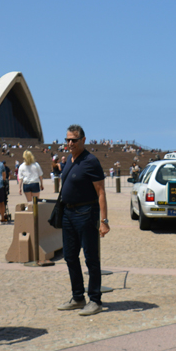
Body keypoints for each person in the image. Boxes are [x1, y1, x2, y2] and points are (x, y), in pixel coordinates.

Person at [57, 124, 108, 316]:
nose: (70, 143)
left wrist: (104, 220)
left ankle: (95, 300)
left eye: (74, 140)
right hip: (68, 214)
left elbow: (101, 191)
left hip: (86, 213)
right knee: (70, 256)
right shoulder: (70, 160)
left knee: (91, 258)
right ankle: (78, 297)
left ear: (83, 140)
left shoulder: (91, 161)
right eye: (67, 140)